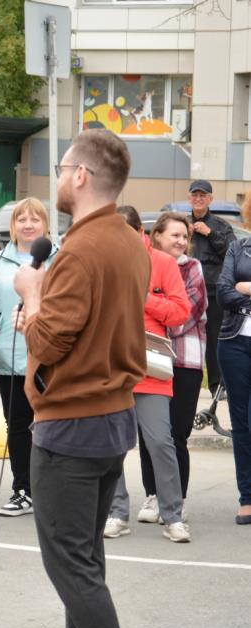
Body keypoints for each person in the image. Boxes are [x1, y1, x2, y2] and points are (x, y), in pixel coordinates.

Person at [11, 129, 149, 628]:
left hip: (72, 422)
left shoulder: (82, 249)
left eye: (64, 167)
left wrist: (31, 292)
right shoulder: (126, 241)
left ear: (83, 176)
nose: (59, 177)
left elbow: (54, 339)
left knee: (70, 564)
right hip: (111, 415)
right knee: (85, 558)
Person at [103, 207, 191, 543]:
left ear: (140, 230)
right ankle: (116, 512)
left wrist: (144, 300)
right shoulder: (105, 262)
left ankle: (173, 515)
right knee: (111, 444)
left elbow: (180, 312)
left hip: (152, 367)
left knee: (159, 442)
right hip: (111, 365)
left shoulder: (163, 263)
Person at [0, 197, 57, 516]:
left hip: (50, 359)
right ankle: (22, 489)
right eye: (21, 219)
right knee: (17, 425)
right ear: (13, 226)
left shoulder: (59, 259)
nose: (28, 224)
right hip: (9, 359)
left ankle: (52, 489)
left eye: (34, 219)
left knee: (52, 425)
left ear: (45, 225)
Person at [137, 212, 206, 522]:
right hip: (148, 359)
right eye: (174, 235)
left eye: (185, 236)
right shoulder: (143, 267)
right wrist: (158, 301)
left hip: (183, 362)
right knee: (148, 433)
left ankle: (177, 499)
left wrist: (148, 302)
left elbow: (182, 317)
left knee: (175, 435)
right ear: (157, 237)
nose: (181, 241)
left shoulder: (193, 268)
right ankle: (153, 496)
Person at [216, 195, 251, 527]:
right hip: (234, 342)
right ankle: (247, 498)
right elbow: (223, 291)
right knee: (241, 424)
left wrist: (246, 286)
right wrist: (239, 289)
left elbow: (236, 289)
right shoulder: (238, 248)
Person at [186, 180, 234, 395]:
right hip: (185, 291)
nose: (198, 199)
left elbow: (232, 254)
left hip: (213, 290)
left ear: (210, 199)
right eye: (194, 195)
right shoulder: (180, 223)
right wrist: (183, 232)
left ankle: (216, 386)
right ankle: (185, 385)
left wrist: (210, 233)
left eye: (202, 195)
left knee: (214, 339)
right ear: (189, 198)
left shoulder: (220, 226)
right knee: (186, 337)